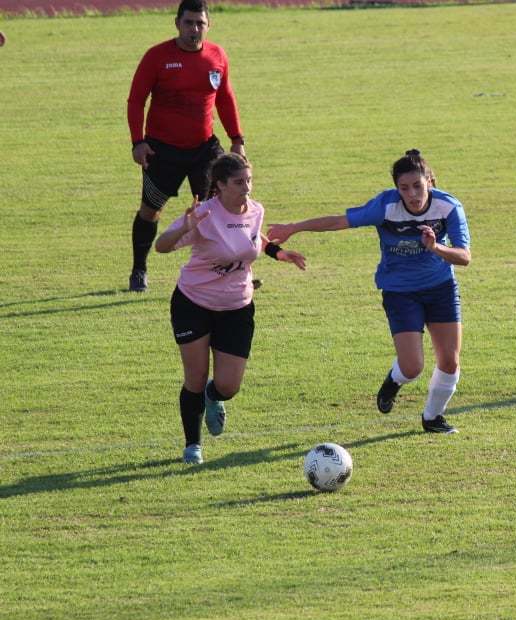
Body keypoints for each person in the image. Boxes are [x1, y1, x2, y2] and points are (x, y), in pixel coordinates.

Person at [268, 149, 471, 435]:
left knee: (450, 361)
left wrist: (435, 247)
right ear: (396, 188)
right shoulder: (385, 207)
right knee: (412, 367)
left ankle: (433, 417)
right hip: (399, 290)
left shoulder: (448, 207)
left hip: (440, 288)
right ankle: (394, 381)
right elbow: (338, 221)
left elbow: (464, 257)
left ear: (429, 181)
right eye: (404, 188)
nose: (412, 194)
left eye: (417, 185)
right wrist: (294, 228)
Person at [155, 153, 305, 464]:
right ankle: (192, 446)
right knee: (195, 377)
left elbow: (254, 238)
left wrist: (278, 253)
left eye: (249, 180)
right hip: (193, 303)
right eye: (239, 182)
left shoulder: (255, 210)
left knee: (228, 385)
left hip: (237, 307)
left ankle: (213, 397)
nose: (246, 188)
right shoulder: (204, 215)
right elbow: (162, 245)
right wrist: (184, 226)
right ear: (220, 185)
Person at [127, 0, 246, 292]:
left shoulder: (217, 55)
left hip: (204, 150)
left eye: (200, 23)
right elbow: (136, 100)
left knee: (220, 208)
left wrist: (237, 139)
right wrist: (138, 142)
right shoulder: (157, 56)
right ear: (177, 23)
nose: (194, 29)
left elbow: (225, 98)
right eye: (189, 23)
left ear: (208, 25)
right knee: (150, 211)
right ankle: (139, 270)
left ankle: (229, 271)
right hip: (162, 150)